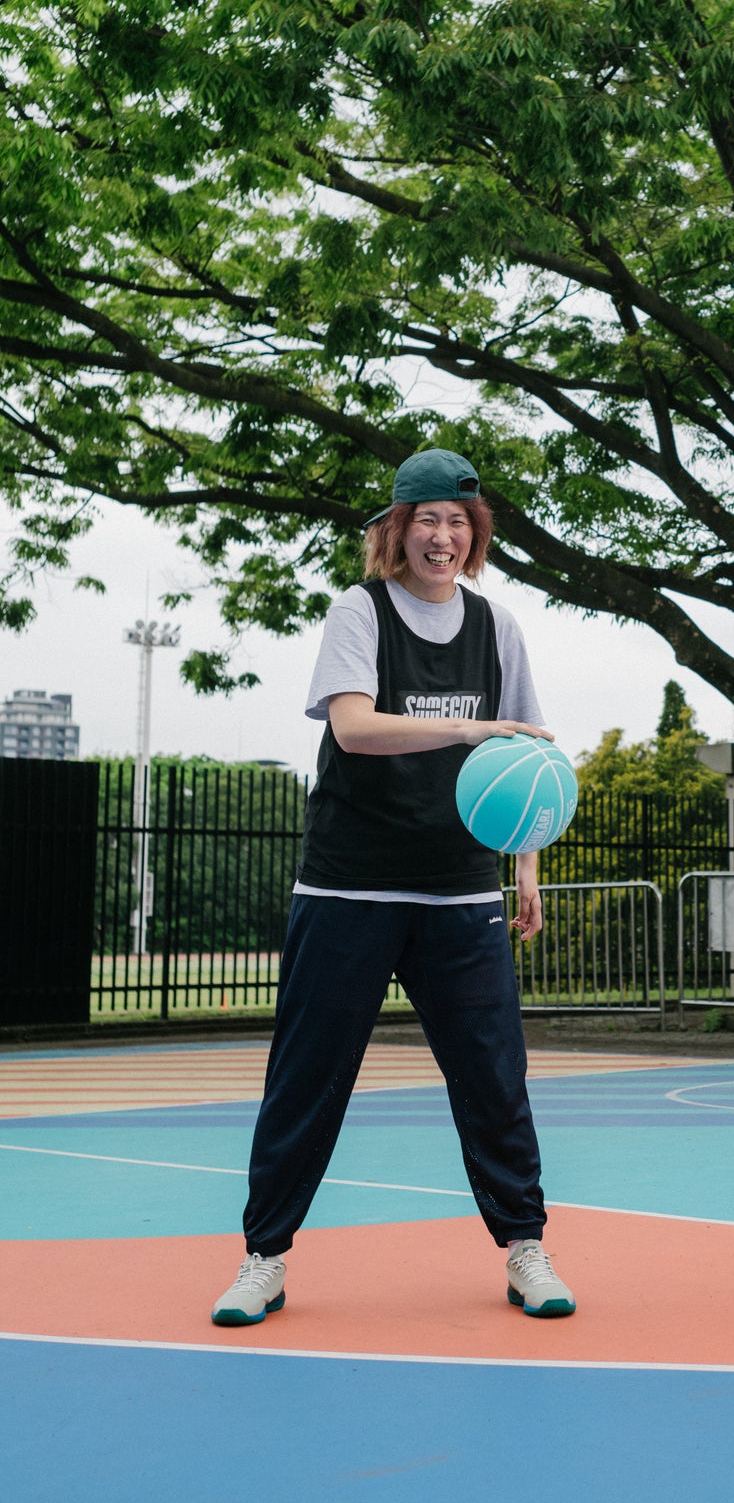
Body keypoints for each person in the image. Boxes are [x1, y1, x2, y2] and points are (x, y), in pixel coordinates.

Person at [210, 447, 576, 1327]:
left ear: (473, 534)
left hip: (456, 889)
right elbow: (356, 728)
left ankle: (524, 1244)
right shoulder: (359, 611)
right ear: (396, 531)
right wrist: (474, 729)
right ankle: (265, 1256)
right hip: (352, 883)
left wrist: (526, 861)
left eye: (456, 521)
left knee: (493, 1076)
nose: (441, 535)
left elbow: (529, 752)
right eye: (425, 520)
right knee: (309, 1073)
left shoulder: (498, 628)